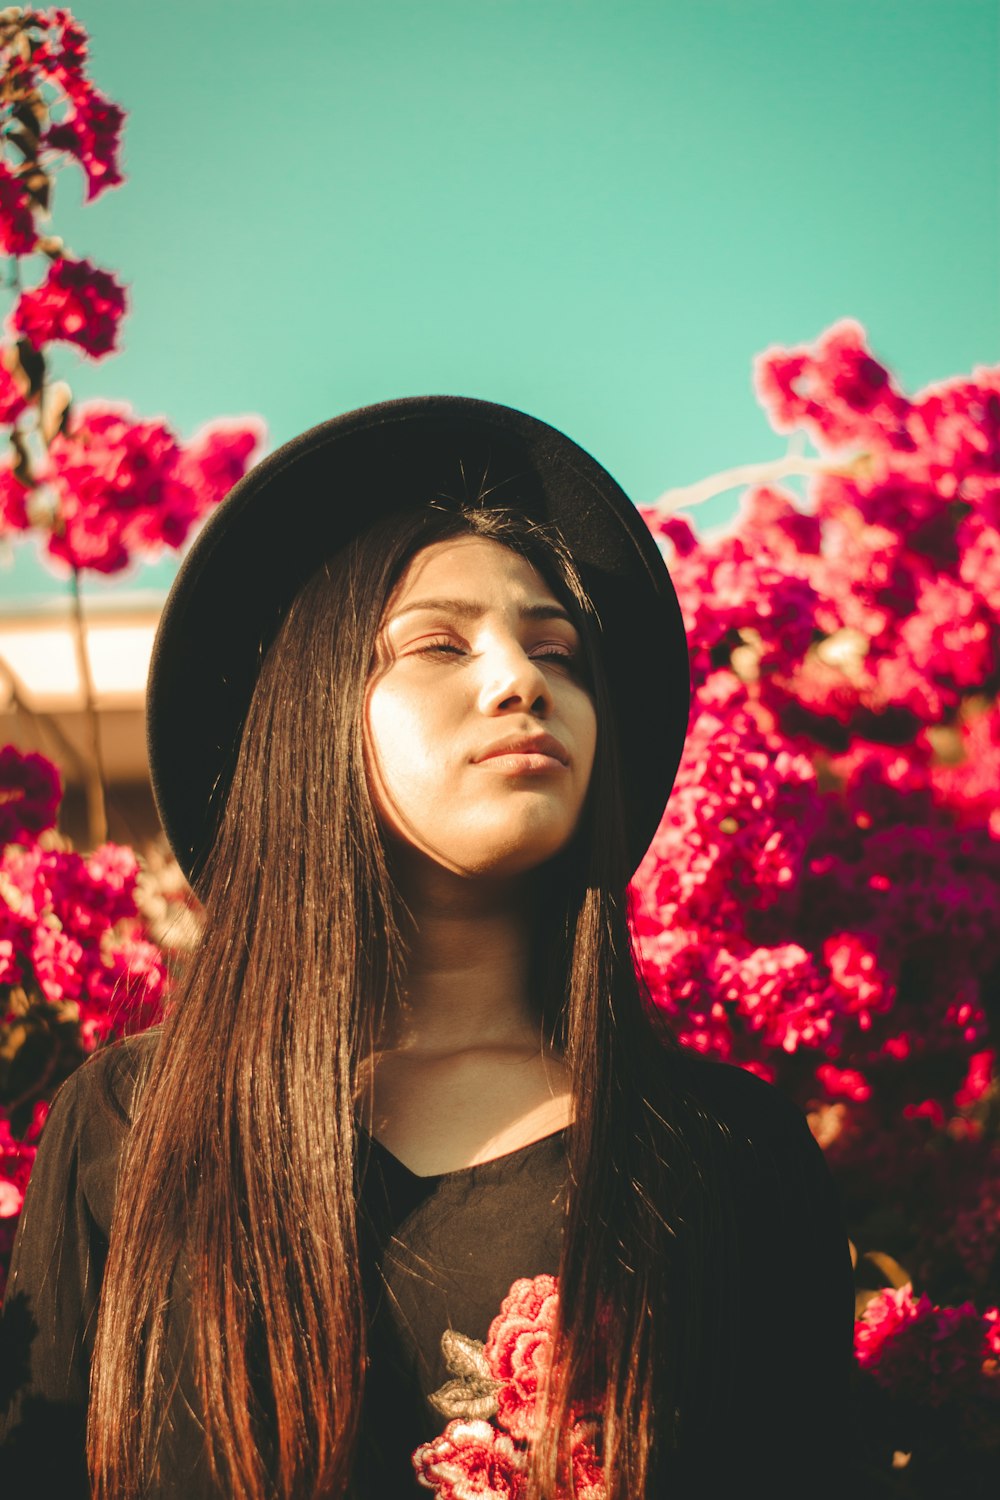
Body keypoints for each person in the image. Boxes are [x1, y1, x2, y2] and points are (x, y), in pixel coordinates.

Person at [0, 396, 856, 1498]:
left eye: (558, 651)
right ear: (312, 717)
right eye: (439, 644)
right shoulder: (130, 1130)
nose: (520, 681)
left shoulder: (729, 1158)